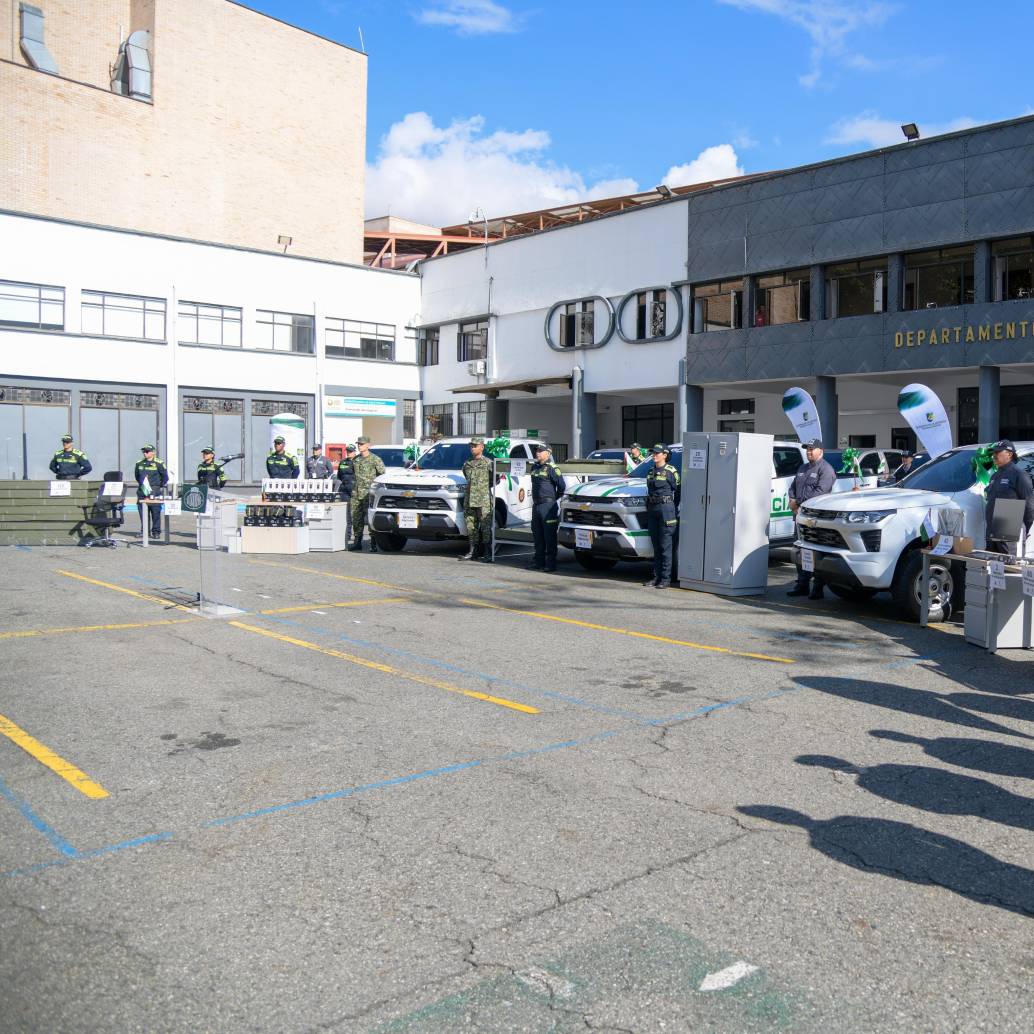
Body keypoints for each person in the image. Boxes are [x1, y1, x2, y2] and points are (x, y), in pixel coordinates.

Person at [788, 439, 837, 599]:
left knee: (816, 552)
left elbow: (820, 492)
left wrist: (799, 503)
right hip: (800, 517)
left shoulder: (826, 469)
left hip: (816, 519)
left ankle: (818, 587)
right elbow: (793, 487)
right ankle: (802, 584)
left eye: (811, 449)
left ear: (820, 451)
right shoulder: (803, 467)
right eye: (807, 449)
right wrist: (792, 500)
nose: (808, 451)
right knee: (800, 550)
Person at [984, 439, 1034, 556]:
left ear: (1010, 454)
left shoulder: (1019, 475)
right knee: (991, 569)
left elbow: (1029, 504)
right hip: (992, 530)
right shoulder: (994, 476)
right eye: (994, 453)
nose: (994, 455)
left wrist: (1029, 529)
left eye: (998, 452)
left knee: (1009, 568)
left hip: (1009, 528)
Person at [644, 444, 680, 588]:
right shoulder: (650, 471)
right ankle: (656, 577)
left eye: (657, 453)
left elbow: (678, 490)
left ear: (665, 455)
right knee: (656, 546)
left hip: (666, 509)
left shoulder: (671, 471)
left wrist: (672, 506)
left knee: (666, 546)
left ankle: (666, 579)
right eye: (653, 453)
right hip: (653, 510)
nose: (654, 455)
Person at [529, 443, 565, 572]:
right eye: (536, 451)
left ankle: (550, 564)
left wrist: (553, 500)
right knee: (537, 535)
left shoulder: (552, 468)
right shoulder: (534, 467)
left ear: (548, 453)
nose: (537, 453)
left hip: (548, 506)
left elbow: (562, 486)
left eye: (540, 451)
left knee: (549, 536)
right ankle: (538, 561)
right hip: (536, 505)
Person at [460, 436, 494, 562]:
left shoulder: (488, 463)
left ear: (482, 447)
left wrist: (482, 489)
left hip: (483, 500)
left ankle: (487, 553)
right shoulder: (467, 464)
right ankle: (472, 552)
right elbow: (466, 477)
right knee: (471, 526)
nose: (473, 448)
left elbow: (493, 480)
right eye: (471, 446)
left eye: (475, 446)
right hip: (469, 499)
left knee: (485, 527)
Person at [348, 436, 385, 552]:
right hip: (356, 493)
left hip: (369, 494)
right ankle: (357, 542)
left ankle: (373, 543)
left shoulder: (375, 459)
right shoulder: (356, 460)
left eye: (362, 444)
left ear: (368, 445)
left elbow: (382, 474)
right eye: (358, 444)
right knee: (356, 518)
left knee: (370, 519)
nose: (360, 446)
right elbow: (354, 474)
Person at [134, 444, 168, 539]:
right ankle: (145, 531)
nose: (145, 453)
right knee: (143, 512)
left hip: (154, 490)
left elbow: (165, 477)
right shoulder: (139, 463)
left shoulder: (159, 463)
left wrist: (157, 486)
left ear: (153, 452)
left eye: (147, 451)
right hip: (142, 490)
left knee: (155, 512)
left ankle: (156, 532)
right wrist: (144, 485)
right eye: (144, 451)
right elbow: (137, 476)